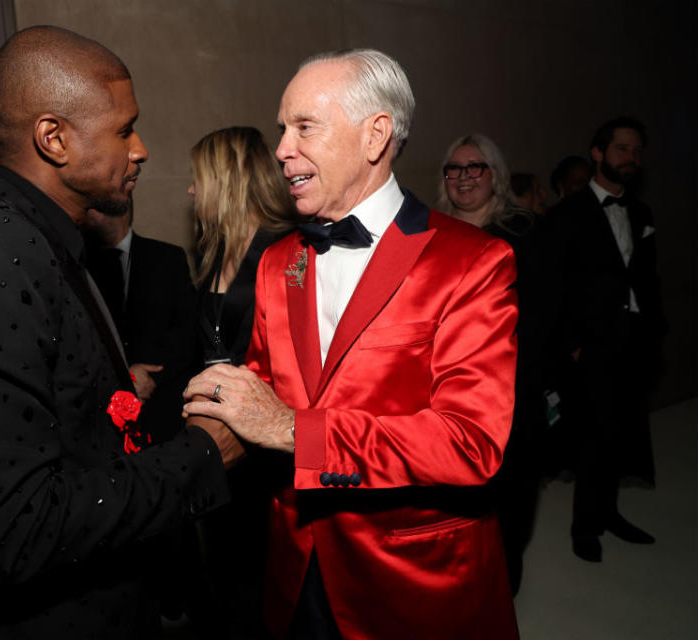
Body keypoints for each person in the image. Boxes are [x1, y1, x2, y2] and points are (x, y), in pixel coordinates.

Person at [0, 26, 236, 639]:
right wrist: (202, 453)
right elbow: (18, 527)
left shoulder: (46, 242)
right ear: (53, 138)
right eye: (123, 129)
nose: (141, 149)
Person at [185, 50, 519, 639]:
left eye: (304, 127)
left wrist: (294, 430)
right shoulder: (278, 262)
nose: (283, 148)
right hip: (294, 562)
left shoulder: (473, 262)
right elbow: (262, 387)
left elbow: (470, 443)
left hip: (410, 577)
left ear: (376, 135)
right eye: (281, 129)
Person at [187, 125, 300, 637]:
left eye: (198, 179)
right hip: (218, 440)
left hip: (266, 446)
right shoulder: (213, 252)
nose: (191, 191)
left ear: (226, 180)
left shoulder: (287, 248)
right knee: (226, 571)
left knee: (263, 575)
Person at [438, 134, 553, 595]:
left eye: (475, 168)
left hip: (509, 393)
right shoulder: (426, 232)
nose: (464, 178)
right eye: (454, 169)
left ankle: (501, 598)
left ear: (496, 175)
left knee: (509, 506)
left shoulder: (524, 232)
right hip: (440, 396)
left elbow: (543, 317)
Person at [548, 117, 664, 563]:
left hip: (634, 339)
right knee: (592, 438)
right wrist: (570, 344)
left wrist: (655, 330)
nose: (631, 159)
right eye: (622, 149)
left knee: (625, 433)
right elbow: (552, 286)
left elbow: (647, 277)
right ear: (598, 153)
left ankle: (610, 513)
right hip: (590, 345)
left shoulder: (641, 213)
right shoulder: (568, 214)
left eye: (637, 152)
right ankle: (585, 528)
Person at [82, 196, 197, 441]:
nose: (85, 213)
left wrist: (150, 378)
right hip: (100, 414)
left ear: (120, 209)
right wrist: (124, 378)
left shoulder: (167, 257)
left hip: (163, 410)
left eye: (92, 207)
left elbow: (187, 334)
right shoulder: (80, 265)